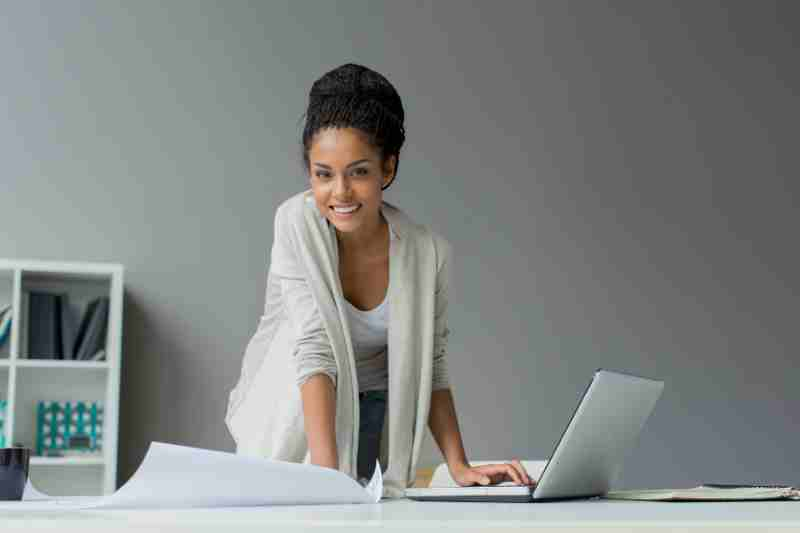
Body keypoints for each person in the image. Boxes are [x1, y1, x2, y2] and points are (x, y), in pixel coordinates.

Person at [225, 63, 533, 498]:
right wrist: (327, 480)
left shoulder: (428, 254)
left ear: (387, 169)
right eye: (323, 174)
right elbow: (314, 350)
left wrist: (460, 465)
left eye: (359, 172)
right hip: (296, 412)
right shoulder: (296, 223)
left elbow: (432, 363)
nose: (341, 192)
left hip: (374, 414)